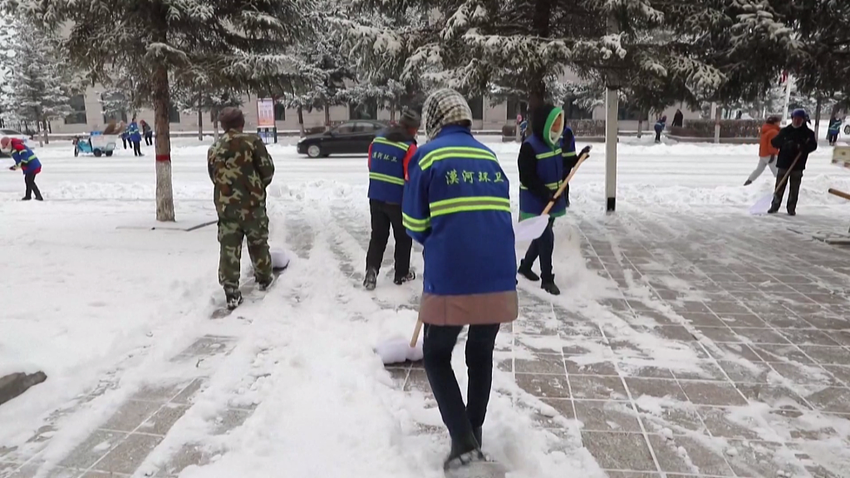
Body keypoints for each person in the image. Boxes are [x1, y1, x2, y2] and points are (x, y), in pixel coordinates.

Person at [402, 88, 517, 472]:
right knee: (480, 353)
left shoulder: (427, 156)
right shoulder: (488, 156)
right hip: (499, 276)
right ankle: (475, 433)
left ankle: (464, 445)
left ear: (434, 120)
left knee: (436, 355)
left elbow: (415, 225)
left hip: (452, 278)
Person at [207, 107, 276, 309]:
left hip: (226, 207)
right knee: (258, 242)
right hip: (252, 205)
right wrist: (256, 188)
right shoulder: (252, 143)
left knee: (229, 247)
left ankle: (231, 291)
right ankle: (263, 277)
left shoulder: (214, 148)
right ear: (241, 123)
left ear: (223, 126)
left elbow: (214, 177)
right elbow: (267, 171)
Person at [363, 109, 420, 290]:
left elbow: (371, 164)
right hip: (398, 200)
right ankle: (401, 274)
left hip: (376, 196)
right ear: (412, 129)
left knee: (378, 237)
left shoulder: (378, 140)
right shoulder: (408, 147)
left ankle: (371, 272)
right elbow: (410, 175)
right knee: (403, 238)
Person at [517, 104, 567, 295]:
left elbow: (560, 165)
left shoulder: (555, 142)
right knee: (546, 238)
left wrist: (579, 158)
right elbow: (527, 177)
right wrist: (545, 193)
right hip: (535, 202)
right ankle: (547, 279)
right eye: (554, 122)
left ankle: (525, 266)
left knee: (541, 236)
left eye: (560, 122)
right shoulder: (529, 146)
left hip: (551, 200)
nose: (558, 125)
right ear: (544, 123)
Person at [768, 108, 817, 216]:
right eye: (795, 119)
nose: (797, 121)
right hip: (784, 163)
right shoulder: (786, 131)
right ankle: (774, 206)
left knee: (794, 188)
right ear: (792, 118)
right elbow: (775, 142)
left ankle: (791, 208)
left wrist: (802, 147)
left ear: (803, 120)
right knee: (779, 186)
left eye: (800, 119)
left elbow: (813, 146)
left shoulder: (808, 134)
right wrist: (785, 143)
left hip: (798, 164)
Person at [1, 136, 43, 201]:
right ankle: (28, 196)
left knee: (30, 181)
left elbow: (24, 155)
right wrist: (15, 167)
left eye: (6, 146)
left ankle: (38, 196)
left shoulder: (18, 146)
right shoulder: (14, 148)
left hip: (33, 165)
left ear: (8, 143)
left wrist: (24, 162)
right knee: (28, 180)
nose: (6, 148)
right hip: (30, 166)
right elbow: (19, 161)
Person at [744, 116, 780, 186]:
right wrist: (773, 154)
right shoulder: (773, 132)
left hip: (763, 154)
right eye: (778, 122)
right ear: (775, 123)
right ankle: (781, 186)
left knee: (759, 169)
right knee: (777, 172)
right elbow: (772, 144)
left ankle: (749, 181)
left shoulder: (765, 129)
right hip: (770, 154)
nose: (779, 123)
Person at [561, 124, 579, 208]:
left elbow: (565, 145)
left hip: (568, 159)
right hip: (563, 159)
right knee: (563, 180)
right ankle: (564, 200)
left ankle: (565, 200)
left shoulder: (567, 131)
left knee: (564, 180)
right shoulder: (562, 130)